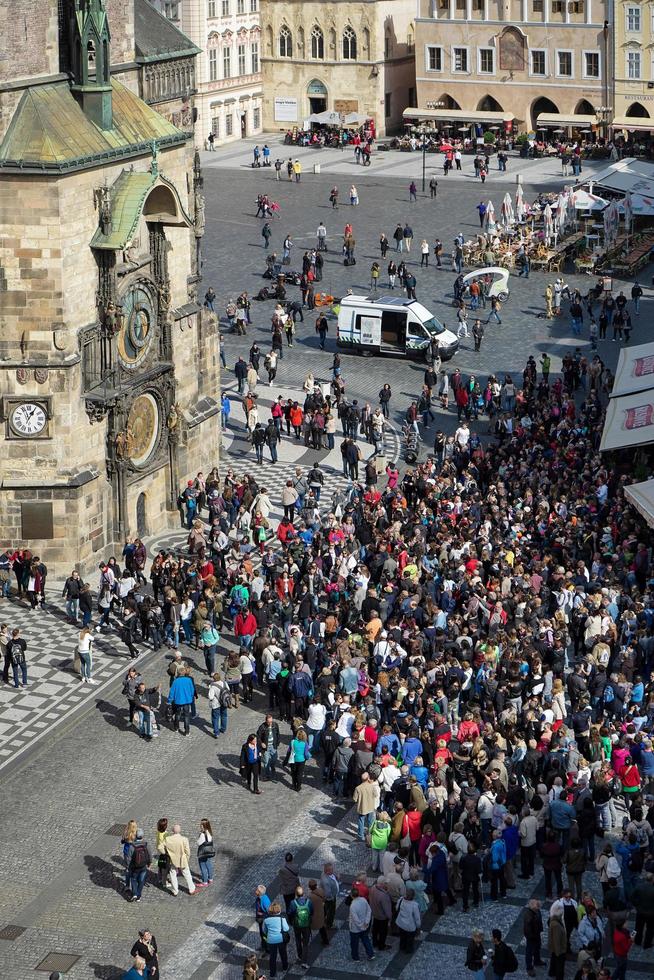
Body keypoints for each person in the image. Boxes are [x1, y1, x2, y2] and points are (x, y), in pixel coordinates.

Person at [163, 823, 196, 896]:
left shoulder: (168, 839)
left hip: (172, 860)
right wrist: (186, 859)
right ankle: (192, 889)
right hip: (182, 859)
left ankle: (175, 891)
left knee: (173, 874)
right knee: (187, 874)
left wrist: (166, 853)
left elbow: (161, 847)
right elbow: (188, 851)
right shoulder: (184, 839)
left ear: (173, 831)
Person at [262, 902, 290, 978]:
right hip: (280, 940)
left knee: (273, 957)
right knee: (283, 954)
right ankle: (285, 967)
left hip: (271, 941)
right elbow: (287, 929)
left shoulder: (266, 920)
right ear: (279, 910)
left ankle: (272, 973)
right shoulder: (282, 919)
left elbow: (264, 931)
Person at [288, 884, 313, 967]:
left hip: (297, 925)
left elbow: (290, 913)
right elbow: (312, 912)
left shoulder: (292, 903)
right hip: (306, 925)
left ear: (296, 894)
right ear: (303, 893)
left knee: (298, 940)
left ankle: (299, 955)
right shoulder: (308, 902)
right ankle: (304, 961)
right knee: (305, 943)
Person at [348, 887, 375, 961]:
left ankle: (355, 957)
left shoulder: (352, 906)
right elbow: (369, 911)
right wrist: (366, 922)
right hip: (365, 925)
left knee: (354, 943)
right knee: (366, 939)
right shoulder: (364, 900)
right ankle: (371, 954)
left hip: (355, 929)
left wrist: (361, 926)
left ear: (351, 895)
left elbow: (355, 919)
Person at [126, 828, 151, 903]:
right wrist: (149, 863)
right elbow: (149, 855)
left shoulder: (132, 846)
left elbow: (128, 858)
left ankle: (134, 893)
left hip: (134, 867)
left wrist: (128, 867)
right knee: (141, 881)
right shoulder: (146, 845)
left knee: (133, 879)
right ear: (142, 836)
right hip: (143, 866)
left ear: (135, 836)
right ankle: (138, 896)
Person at [396, 886, 421, 952]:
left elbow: (397, 908)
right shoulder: (414, 905)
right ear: (413, 896)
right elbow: (417, 918)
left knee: (402, 936)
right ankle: (408, 949)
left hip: (401, 923)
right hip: (410, 926)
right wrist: (418, 926)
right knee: (410, 939)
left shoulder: (401, 900)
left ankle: (402, 947)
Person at [523, 899, 544, 976]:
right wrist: (531, 937)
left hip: (536, 933)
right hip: (531, 936)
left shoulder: (537, 911)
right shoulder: (528, 915)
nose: (538, 908)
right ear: (532, 907)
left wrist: (540, 930)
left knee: (538, 947)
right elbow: (527, 929)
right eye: (537, 907)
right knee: (529, 951)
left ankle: (537, 960)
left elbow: (539, 920)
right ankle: (529, 968)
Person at [196, 818, 215, 887]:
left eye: (201, 824)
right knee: (209, 865)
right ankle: (210, 878)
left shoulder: (202, 835)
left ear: (204, 826)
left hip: (203, 853)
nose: (200, 825)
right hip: (209, 852)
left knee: (203, 866)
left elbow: (198, 843)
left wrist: (199, 835)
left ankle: (204, 881)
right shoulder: (210, 832)